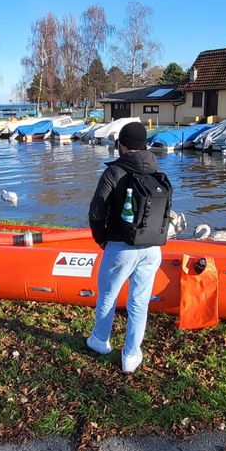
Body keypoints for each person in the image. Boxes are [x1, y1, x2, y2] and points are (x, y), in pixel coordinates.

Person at [86, 121, 173, 373]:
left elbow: (95, 212)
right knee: (139, 302)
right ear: (143, 145)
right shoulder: (157, 171)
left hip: (120, 247)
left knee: (108, 296)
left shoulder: (114, 172)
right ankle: (131, 356)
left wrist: (101, 239)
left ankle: (100, 341)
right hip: (153, 249)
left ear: (122, 145)